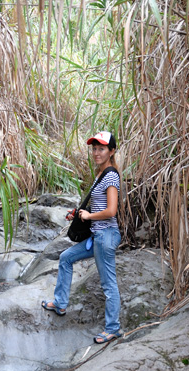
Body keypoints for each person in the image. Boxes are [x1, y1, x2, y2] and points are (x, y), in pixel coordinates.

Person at [42, 131, 122, 343]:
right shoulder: (100, 174)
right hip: (96, 235)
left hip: (106, 236)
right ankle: (60, 304)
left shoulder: (112, 175)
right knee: (66, 258)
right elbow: (96, 205)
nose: (96, 152)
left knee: (108, 284)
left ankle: (113, 328)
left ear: (111, 151)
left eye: (101, 149)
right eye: (94, 148)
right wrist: (79, 214)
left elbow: (111, 211)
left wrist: (89, 215)